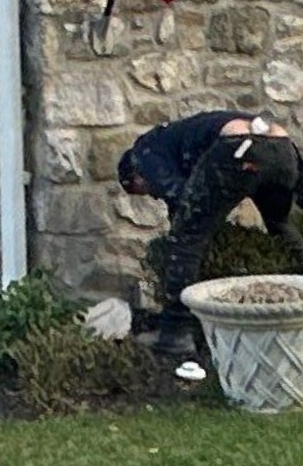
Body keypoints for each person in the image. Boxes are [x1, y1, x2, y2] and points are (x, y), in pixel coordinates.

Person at [118, 109, 303, 358]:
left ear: (133, 176)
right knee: (281, 227)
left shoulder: (143, 153)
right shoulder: (178, 139)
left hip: (239, 148)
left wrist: (190, 228)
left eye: (141, 190)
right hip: (282, 148)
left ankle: (176, 334)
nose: (151, 195)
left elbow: (181, 197)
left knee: (185, 243)